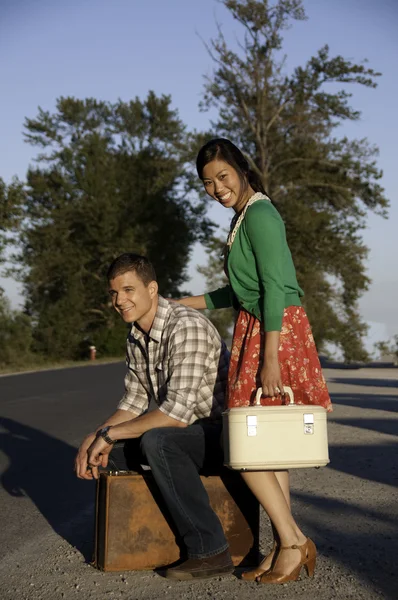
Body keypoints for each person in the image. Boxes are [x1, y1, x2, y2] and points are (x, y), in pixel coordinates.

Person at [174, 138, 332, 585]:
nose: (216, 187)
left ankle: (294, 540)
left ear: (241, 170)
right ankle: (287, 544)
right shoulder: (243, 216)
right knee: (268, 447)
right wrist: (183, 302)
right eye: (207, 182)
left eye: (222, 176)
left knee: (248, 445)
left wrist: (270, 358)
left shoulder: (260, 214)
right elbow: (240, 291)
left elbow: (274, 287)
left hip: (272, 331)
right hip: (258, 325)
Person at [75, 253, 234, 581]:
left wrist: (109, 434)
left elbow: (175, 415)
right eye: (114, 293)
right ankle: (135, 539)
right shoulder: (135, 337)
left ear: (152, 289)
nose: (120, 301)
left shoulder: (186, 325)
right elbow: (133, 403)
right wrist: (96, 437)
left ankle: (210, 549)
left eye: (128, 290)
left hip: (222, 434)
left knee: (158, 442)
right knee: (110, 452)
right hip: (188, 433)